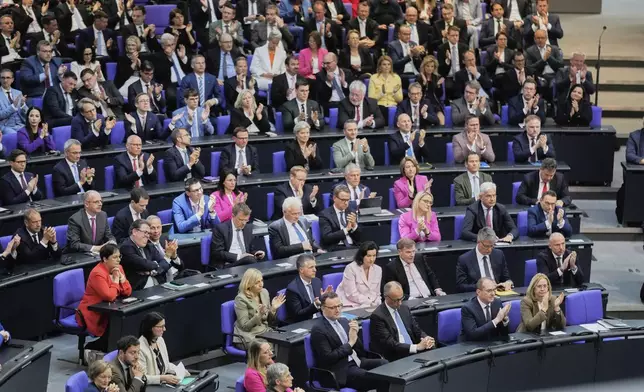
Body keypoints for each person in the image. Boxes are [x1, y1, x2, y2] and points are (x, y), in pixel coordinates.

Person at [310, 291, 388, 392]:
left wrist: (355, 334)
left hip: (357, 361)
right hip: (339, 369)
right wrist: (350, 343)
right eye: (333, 307)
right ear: (323, 308)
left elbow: (359, 350)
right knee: (375, 378)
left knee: (385, 365)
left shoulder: (344, 321)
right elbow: (328, 357)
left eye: (339, 306)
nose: (337, 310)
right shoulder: (318, 330)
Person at [76, 244, 132, 352]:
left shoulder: (118, 268)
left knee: (125, 319)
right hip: (93, 311)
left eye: (119, 257)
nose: (118, 260)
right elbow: (109, 296)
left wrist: (123, 280)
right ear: (105, 259)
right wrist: (116, 281)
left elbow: (128, 292)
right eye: (115, 257)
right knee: (116, 322)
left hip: (110, 307)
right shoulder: (97, 273)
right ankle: (97, 347)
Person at [369, 281, 434, 361]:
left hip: (413, 350)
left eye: (401, 298)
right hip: (396, 354)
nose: (399, 303)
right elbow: (390, 344)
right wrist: (416, 347)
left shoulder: (404, 309)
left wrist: (426, 338)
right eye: (396, 300)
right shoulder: (378, 316)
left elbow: (417, 330)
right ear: (386, 297)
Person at [234, 268, 286, 349]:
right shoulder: (241, 299)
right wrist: (259, 315)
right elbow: (245, 327)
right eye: (257, 282)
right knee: (268, 347)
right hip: (249, 336)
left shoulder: (264, 292)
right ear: (249, 284)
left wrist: (273, 309)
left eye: (261, 280)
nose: (261, 284)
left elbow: (270, 322)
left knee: (284, 343)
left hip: (264, 332)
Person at [120, 219, 174, 290]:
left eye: (148, 233)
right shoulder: (126, 247)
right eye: (145, 232)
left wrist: (151, 271)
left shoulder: (149, 246)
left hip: (156, 285)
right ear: (135, 232)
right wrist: (156, 265)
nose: (147, 236)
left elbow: (165, 264)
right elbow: (144, 264)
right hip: (139, 289)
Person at [456, 227, 514, 292]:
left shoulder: (499, 255)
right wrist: (481, 286)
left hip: (497, 293)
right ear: (478, 242)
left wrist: (508, 283)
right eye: (486, 246)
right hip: (478, 295)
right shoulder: (464, 259)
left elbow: (506, 278)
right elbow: (461, 286)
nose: (489, 249)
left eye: (492, 246)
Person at [211, 203, 263, 269]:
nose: (244, 223)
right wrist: (239, 256)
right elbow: (218, 253)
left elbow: (249, 250)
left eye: (246, 220)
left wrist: (256, 253)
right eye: (241, 220)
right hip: (228, 264)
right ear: (233, 216)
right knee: (250, 260)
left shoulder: (248, 228)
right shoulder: (221, 229)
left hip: (246, 261)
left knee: (255, 260)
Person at [460, 277, 511, 341]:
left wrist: (504, 320)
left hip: (492, 343)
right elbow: (473, 334)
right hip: (473, 345)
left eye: (494, 290)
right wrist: (496, 320)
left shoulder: (497, 302)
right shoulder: (468, 308)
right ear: (478, 292)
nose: (493, 294)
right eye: (489, 291)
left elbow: (504, 334)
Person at [137, 312, 182, 386]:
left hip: (162, 384)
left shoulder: (160, 340)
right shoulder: (140, 347)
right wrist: (162, 378)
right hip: (150, 387)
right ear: (151, 328)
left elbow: (166, 365)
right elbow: (142, 377)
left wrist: (179, 371)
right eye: (161, 326)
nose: (164, 329)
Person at [285, 254, 332, 323]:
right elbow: (298, 314)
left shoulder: (317, 281)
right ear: (301, 270)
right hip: (305, 322)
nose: (315, 270)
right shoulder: (293, 289)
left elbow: (321, 305)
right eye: (311, 267)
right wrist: (315, 305)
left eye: (315, 267)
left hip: (322, 319)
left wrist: (324, 298)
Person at [151, 34, 191, 114]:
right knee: (172, 96)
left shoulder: (178, 52)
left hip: (185, 80)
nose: (171, 47)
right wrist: (169, 58)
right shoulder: (158, 56)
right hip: (170, 83)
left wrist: (183, 58)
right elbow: (161, 73)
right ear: (163, 46)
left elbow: (188, 69)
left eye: (172, 44)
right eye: (168, 45)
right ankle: (172, 114)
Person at [336, 241, 382, 308]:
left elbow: (377, 293)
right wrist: (369, 302)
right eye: (368, 256)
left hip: (370, 304)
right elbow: (351, 295)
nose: (372, 259)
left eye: (374, 256)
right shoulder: (350, 268)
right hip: (351, 304)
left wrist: (377, 302)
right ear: (362, 256)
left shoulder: (378, 269)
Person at [524, 29, 564, 101]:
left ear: (546, 38)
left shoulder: (555, 49)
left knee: (554, 84)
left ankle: (552, 105)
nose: (540, 40)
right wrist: (543, 60)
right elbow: (529, 68)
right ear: (534, 39)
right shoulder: (530, 51)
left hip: (554, 75)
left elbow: (561, 65)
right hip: (540, 76)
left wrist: (549, 57)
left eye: (542, 38)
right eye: (538, 38)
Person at [319, 185, 362, 251]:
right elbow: (327, 238)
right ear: (334, 198)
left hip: (353, 246)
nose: (346, 203)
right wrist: (346, 230)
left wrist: (354, 226)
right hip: (336, 247)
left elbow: (358, 238)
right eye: (343, 200)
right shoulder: (325, 214)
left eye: (348, 200)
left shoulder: (351, 211)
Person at [436, 26, 468, 100]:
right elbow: (440, 69)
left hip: (461, 75)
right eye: (453, 35)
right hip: (448, 76)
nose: (455, 37)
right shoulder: (441, 48)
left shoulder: (464, 47)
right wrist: (448, 60)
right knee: (449, 87)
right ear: (448, 36)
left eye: (457, 35)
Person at [485, 32, 515, 102]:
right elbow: (486, 67)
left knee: (505, 79)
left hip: (507, 76)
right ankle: (505, 102)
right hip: (494, 76)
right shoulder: (490, 51)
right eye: (501, 39)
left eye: (505, 39)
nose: (503, 41)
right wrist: (495, 60)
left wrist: (502, 63)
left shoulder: (511, 52)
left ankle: (501, 102)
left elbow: (513, 67)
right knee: (502, 79)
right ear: (496, 41)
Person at [417, 56, 446, 126]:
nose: (430, 68)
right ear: (424, 67)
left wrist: (438, 85)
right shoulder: (419, 78)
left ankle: (441, 136)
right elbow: (418, 94)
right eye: (428, 66)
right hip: (423, 104)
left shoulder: (437, 77)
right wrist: (424, 84)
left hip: (435, 104)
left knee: (442, 121)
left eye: (432, 66)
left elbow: (440, 95)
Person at [0, 68, 27, 134]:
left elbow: (27, 114)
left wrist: (23, 105)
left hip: (21, 124)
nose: (5, 80)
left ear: (12, 80)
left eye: (8, 78)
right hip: (6, 126)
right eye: (3, 78)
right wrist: (13, 107)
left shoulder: (18, 93)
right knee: (14, 136)